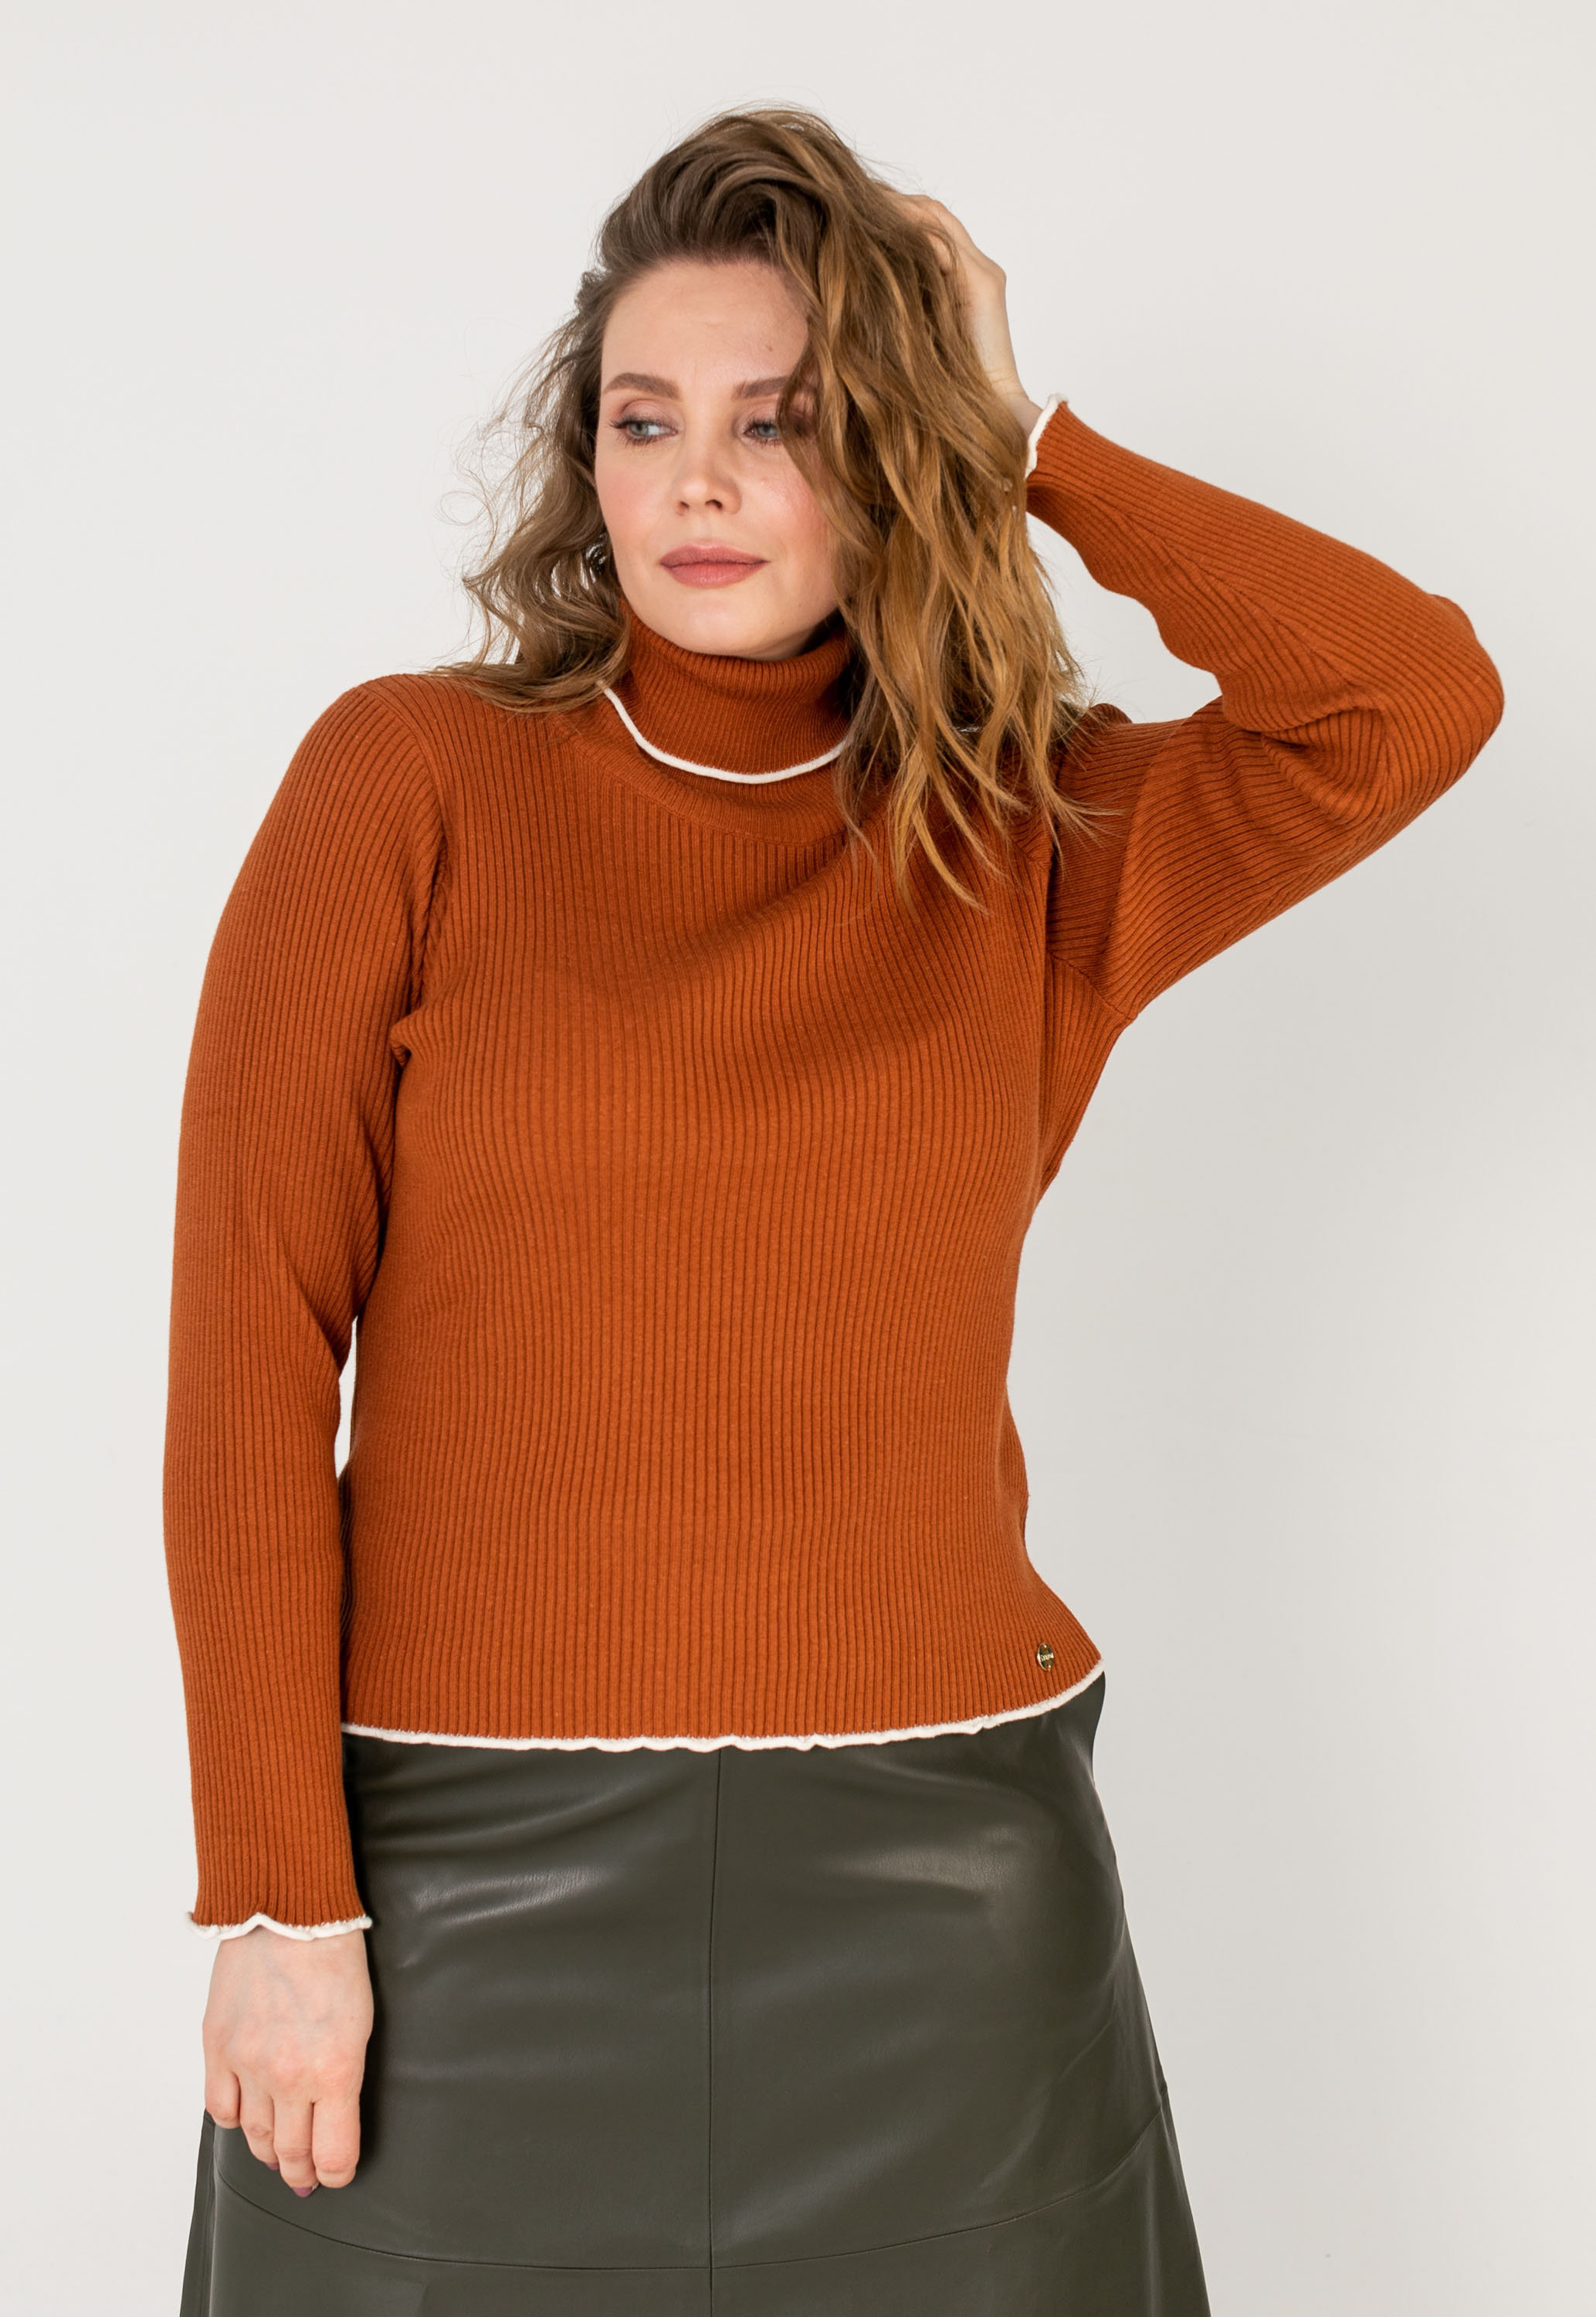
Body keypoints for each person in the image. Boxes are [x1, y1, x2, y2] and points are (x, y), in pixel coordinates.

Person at [164, 106, 1503, 2316]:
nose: (696, 481)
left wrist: (1032, 436)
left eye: (781, 423)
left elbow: (1405, 698)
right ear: (585, 458)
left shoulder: (1023, 832)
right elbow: (247, 1352)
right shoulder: (408, 783)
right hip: (445, 1883)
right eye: (645, 420)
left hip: (938, 1886)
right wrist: (275, 1899)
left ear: (891, 453)